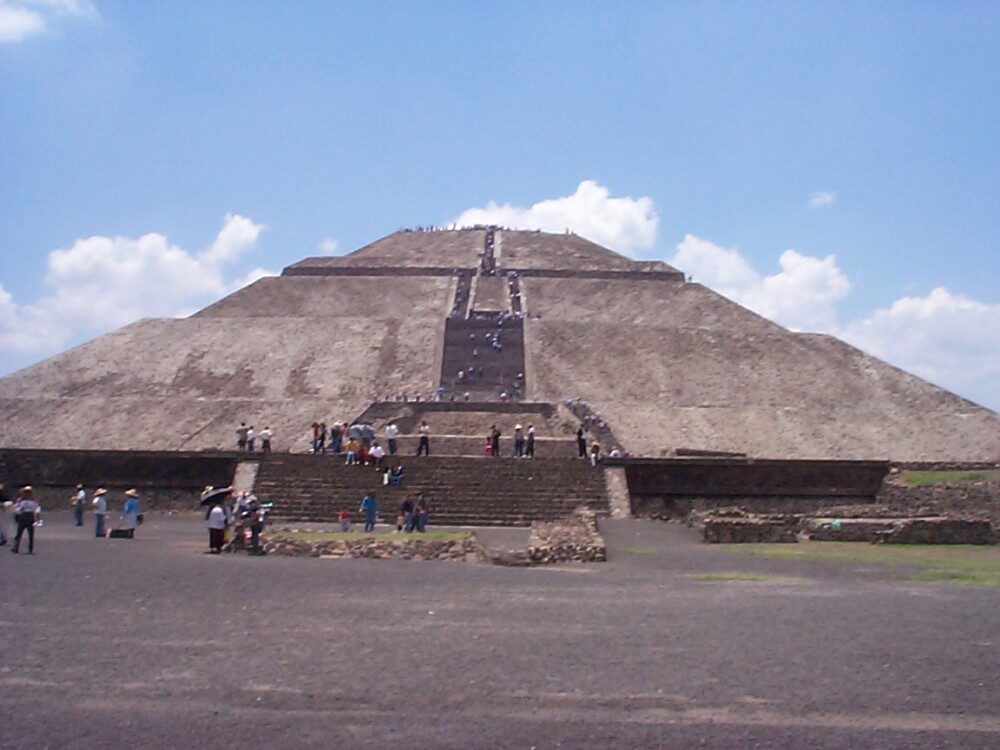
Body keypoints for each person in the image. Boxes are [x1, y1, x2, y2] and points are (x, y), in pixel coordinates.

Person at [11, 486, 41, 554]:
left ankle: (16, 547)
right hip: (30, 516)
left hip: (23, 516)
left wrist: (17, 514)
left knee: (19, 533)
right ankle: (30, 549)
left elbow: (17, 509)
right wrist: (38, 519)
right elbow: (36, 509)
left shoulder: (21, 500)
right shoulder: (34, 501)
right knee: (31, 533)